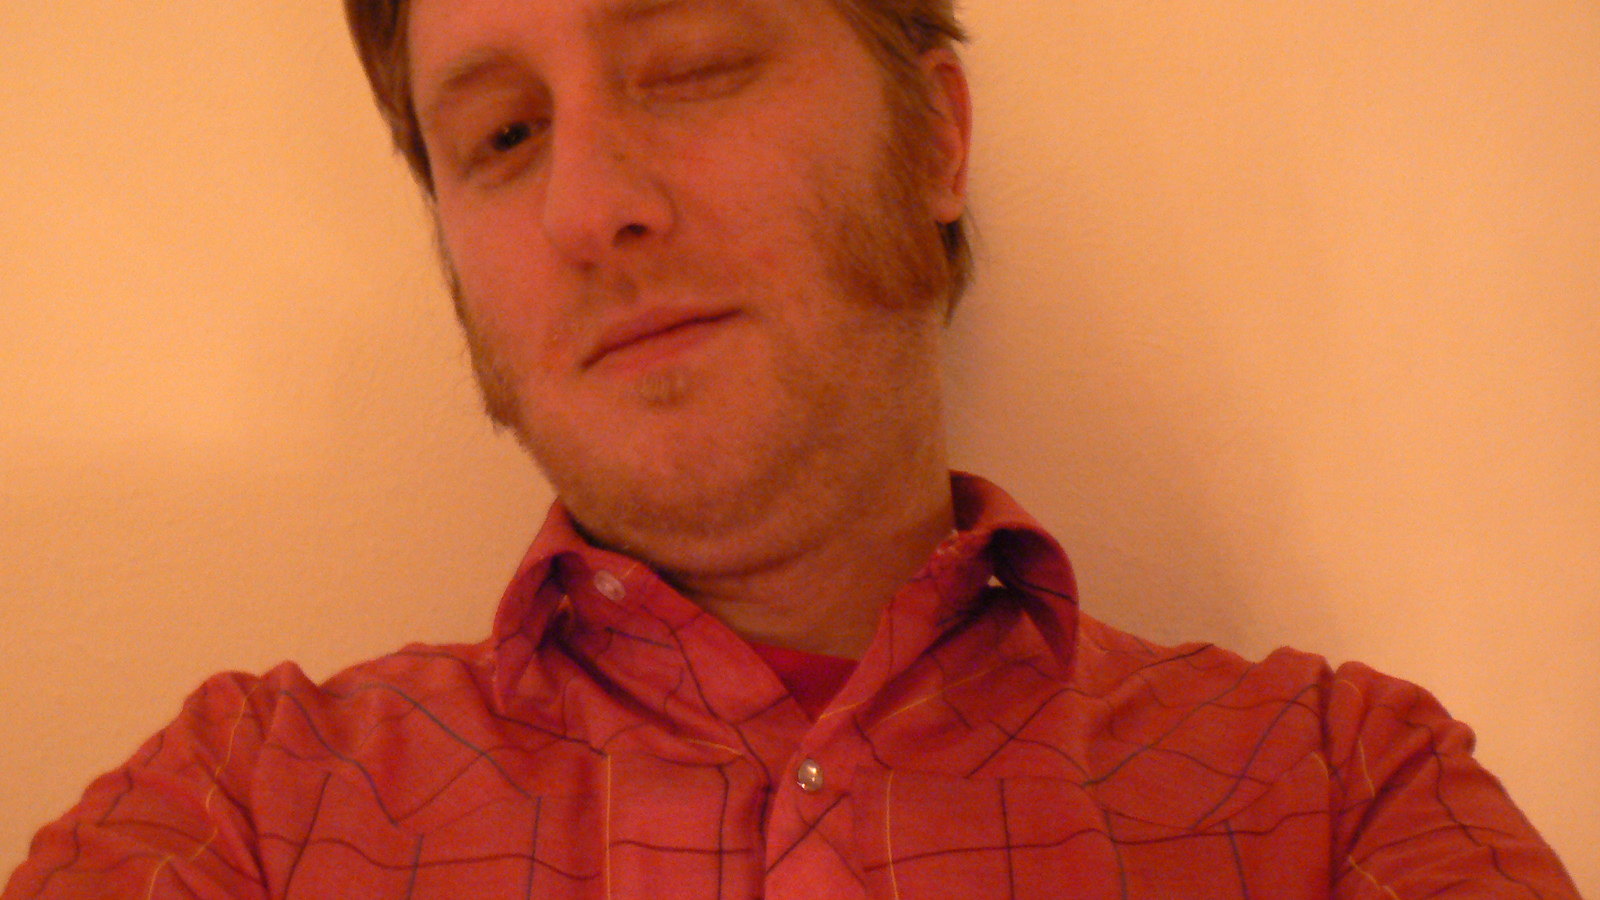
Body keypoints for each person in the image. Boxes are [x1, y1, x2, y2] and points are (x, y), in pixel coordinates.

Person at [3, 0, 1580, 896]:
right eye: (502, 135)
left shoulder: (1336, 794)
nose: (586, 206)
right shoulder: (248, 809)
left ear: (936, 138)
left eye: (691, 63)